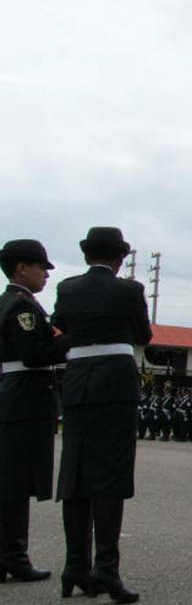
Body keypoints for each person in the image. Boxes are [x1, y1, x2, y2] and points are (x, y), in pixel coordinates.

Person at [52, 227, 152, 603]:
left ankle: (74, 566)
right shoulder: (129, 290)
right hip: (115, 384)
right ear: (120, 259)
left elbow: (61, 325)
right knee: (110, 475)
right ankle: (106, 569)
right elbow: (143, 335)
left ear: (86, 256)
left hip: (77, 382)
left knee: (74, 474)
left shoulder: (67, 288)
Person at [0, 240, 68, 583]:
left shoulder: (10, 302)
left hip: (15, 398)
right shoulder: (21, 307)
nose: (44, 274)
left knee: (9, 479)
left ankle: (7, 555)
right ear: (21, 268)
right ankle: (13, 555)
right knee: (14, 481)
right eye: (41, 267)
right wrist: (69, 339)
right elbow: (34, 355)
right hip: (25, 399)